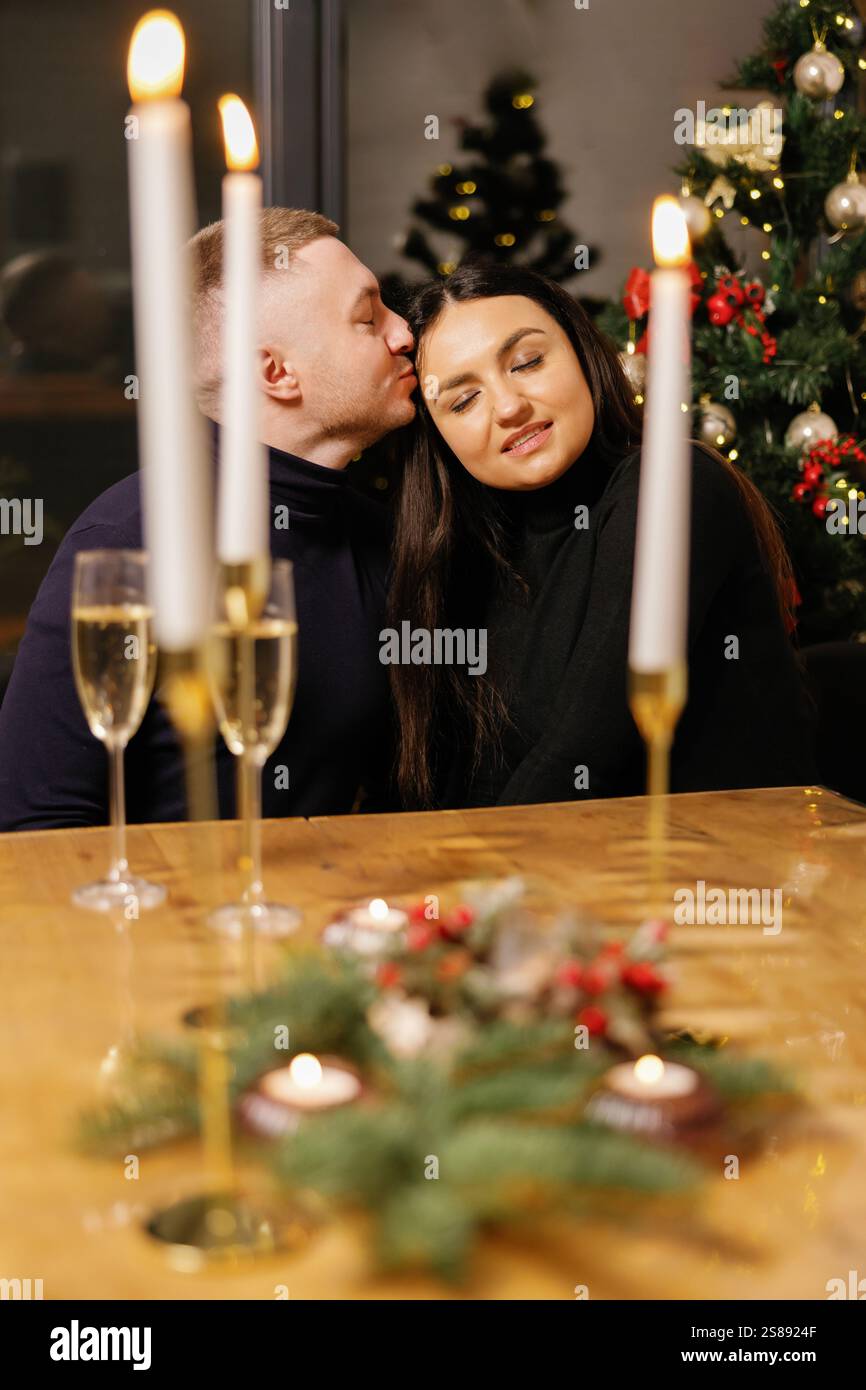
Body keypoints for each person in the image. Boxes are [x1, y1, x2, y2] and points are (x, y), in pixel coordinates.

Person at [0, 209, 416, 829]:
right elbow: (35, 824)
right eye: (368, 318)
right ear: (276, 373)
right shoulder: (129, 544)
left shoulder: (377, 533)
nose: (405, 333)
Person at [387, 262, 818, 809]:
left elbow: (583, 757)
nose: (509, 407)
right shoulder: (462, 562)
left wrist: (468, 889)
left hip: (712, 877)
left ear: (583, 354)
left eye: (527, 362)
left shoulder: (673, 485)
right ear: (439, 436)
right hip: (553, 879)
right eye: (464, 400)